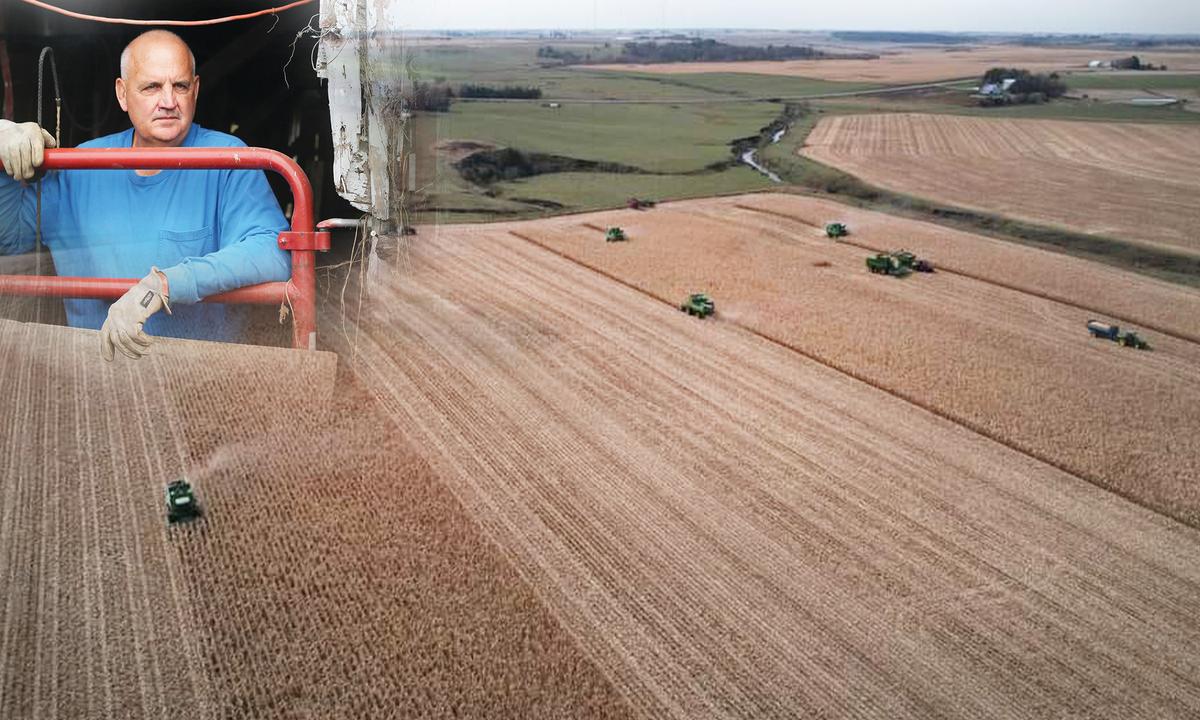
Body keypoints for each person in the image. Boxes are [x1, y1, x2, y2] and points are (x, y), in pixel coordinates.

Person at [0, 29, 291, 361]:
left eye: (180, 86)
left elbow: (273, 252)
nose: (168, 102)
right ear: (122, 94)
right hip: (94, 373)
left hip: (202, 378)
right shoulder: (82, 165)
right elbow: (10, 238)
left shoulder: (229, 158)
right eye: (151, 87)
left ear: (195, 90)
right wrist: (3, 147)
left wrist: (164, 284)